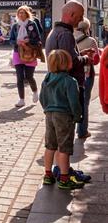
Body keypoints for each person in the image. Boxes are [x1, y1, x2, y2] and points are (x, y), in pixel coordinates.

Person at [40, 50, 87, 192]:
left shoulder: (47, 78)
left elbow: (42, 98)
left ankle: (48, 175)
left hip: (49, 115)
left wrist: (47, 108)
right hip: (64, 116)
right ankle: (64, 179)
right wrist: (77, 116)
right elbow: (74, 102)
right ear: (65, 64)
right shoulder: (70, 81)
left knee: (50, 146)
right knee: (64, 148)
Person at [9, 5, 44, 108]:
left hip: (30, 52)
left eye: (23, 12)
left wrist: (29, 41)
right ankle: (21, 99)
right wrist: (17, 42)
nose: (21, 14)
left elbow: (38, 39)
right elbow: (11, 40)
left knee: (29, 76)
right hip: (18, 52)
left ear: (27, 14)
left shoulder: (32, 24)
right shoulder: (15, 26)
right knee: (20, 77)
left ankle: (35, 91)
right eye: (19, 13)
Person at [74, 18, 100, 140]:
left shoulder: (70, 38)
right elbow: (96, 60)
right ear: (87, 28)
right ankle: (82, 130)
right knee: (84, 102)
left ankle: (70, 128)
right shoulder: (91, 40)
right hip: (87, 73)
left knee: (72, 100)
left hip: (73, 73)